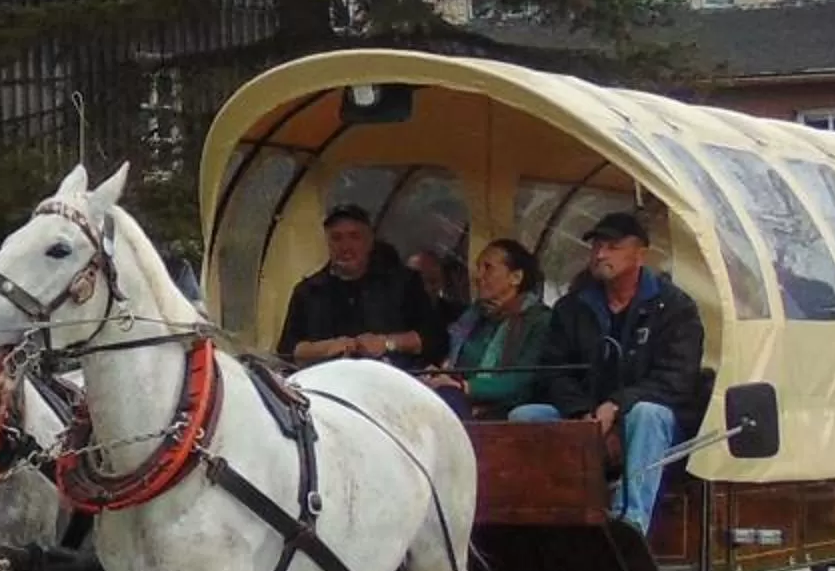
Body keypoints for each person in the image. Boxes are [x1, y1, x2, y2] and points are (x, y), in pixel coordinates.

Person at [510, 208, 704, 533]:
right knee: (524, 417)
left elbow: (677, 378)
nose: (600, 254)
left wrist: (616, 407)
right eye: (596, 245)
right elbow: (554, 370)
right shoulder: (573, 307)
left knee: (647, 414)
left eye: (612, 247)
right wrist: (582, 415)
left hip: (654, 425)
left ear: (640, 253)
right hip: (588, 415)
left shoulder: (675, 307)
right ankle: (540, 519)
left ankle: (630, 523)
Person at [277, 203, 440, 370]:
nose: (346, 247)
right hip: (327, 380)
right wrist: (325, 348)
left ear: (369, 241)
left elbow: (432, 339)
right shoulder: (309, 291)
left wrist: (386, 343)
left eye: (354, 236)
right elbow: (287, 351)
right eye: (337, 238)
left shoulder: (404, 283)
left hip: (391, 378)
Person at [430, 237, 554, 413]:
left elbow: (523, 381)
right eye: (478, 267)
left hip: (505, 410)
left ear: (516, 277)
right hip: (457, 397)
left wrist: (465, 387)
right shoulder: (472, 317)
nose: (478, 276)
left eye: (488, 268)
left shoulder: (538, 321)